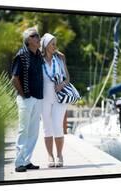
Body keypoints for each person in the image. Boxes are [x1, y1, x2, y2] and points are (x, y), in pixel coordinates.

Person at [11, 27, 44, 172]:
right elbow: (14, 79)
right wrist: (24, 95)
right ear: (28, 40)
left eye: (38, 35)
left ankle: (27, 160)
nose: (38, 37)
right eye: (34, 35)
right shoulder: (21, 55)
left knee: (34, 132)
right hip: (26, 99)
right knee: (23, 131)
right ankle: (19, 163)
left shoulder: (38, 55)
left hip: (38, 98)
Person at [40, 33, 70, 167]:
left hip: (60, 97)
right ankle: (50, 156)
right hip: (45, 97)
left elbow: (67, 78)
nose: (55, 46)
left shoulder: (60, 58)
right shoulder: (39, 60)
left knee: (58, 126)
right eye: (52, 44)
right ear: (46, 45)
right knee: (47, 127)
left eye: (55, 43)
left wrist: (61, 84)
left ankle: (59, 155)